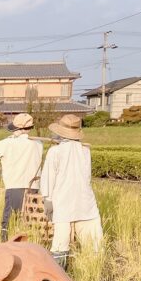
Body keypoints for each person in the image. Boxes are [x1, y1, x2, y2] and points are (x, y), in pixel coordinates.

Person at [39, 113, 102, 269]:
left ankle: (61, 272)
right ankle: (93, 269)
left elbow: (48, 176)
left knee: (61, 240)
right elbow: (86, 177)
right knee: (92, 239)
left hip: (62, 200)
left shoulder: (55, 151)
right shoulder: (85, 151)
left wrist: (47, 198)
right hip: (84, 200)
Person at [0, 112, 43, 241]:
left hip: (15, 186)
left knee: (10, 219)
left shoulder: (8, 143)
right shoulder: (39, 143)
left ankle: (6, 242)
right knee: (30, 219)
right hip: (34, 188)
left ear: (19, 129)